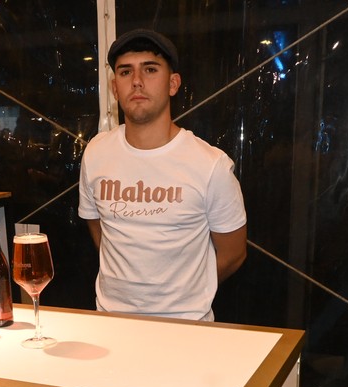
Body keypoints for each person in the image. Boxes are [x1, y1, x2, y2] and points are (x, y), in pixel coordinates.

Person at [78, 28, 248, 321]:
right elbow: (98, 228)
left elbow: (233, 253)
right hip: (111, 323)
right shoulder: (96, 153)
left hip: (186, 326)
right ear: (115, 88)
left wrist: (184, 293)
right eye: (125, 72)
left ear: (173, 83)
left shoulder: (210, 165)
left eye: (150, 69)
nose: (137, 81)